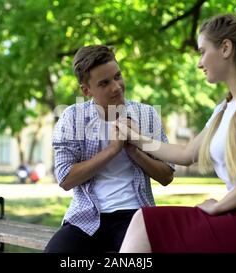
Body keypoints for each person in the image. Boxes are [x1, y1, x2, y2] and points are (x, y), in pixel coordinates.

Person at [118, 14, 236, 253]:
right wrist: (136, 138)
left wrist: (219, 207)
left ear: (225, 48)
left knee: (147, 226)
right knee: (143, 221)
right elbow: (186, 153)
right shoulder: (224, 109)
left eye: (202, 51)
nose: (199, 62)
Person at [44, 45, 175, 253]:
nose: (116, 87)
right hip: (86, 218)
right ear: (87, 91)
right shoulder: (73, 118)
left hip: (135, 216)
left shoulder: (147, 115)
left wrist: (135, 151)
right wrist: (112, 150)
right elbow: (65, 178)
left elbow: (167, 175)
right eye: (104, 83)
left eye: (118, 76)